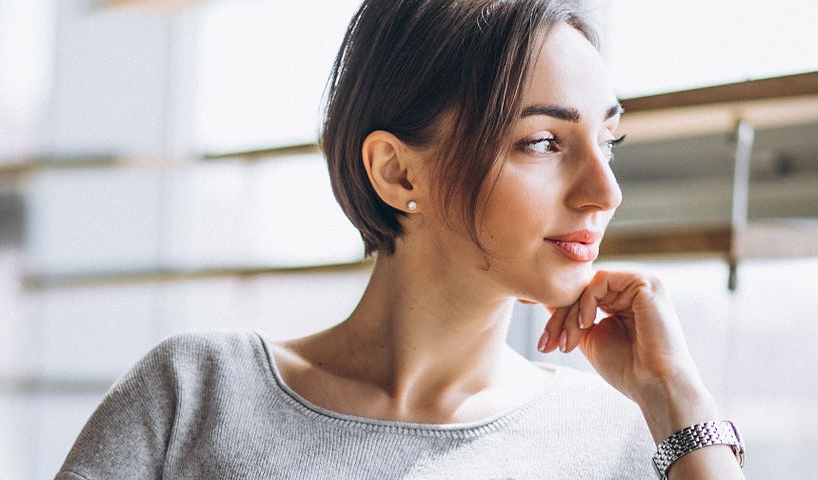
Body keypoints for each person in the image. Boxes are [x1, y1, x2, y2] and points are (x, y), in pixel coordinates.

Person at [57, 0, 746, 478]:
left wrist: (676, 397)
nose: (605, 191)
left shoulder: (627, 439)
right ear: (396, 171)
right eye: (543, 143)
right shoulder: (195, 398)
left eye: (608, 141)